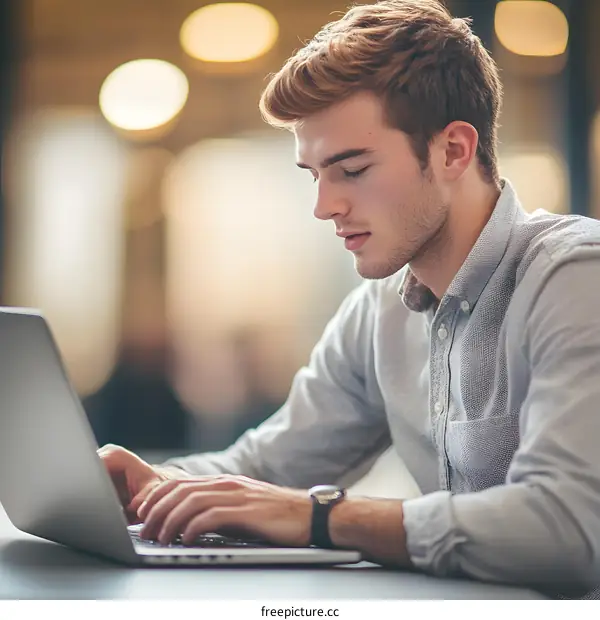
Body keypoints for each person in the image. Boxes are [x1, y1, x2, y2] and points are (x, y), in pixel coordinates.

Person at [99, 0, 600, 597]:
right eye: (315, 175)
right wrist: (155, 484)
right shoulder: (383, 309)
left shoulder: (574, 277)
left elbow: (569, 529)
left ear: (453, 151)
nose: (324, 206)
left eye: (353, 170)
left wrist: (321, 517)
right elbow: (267, 469)